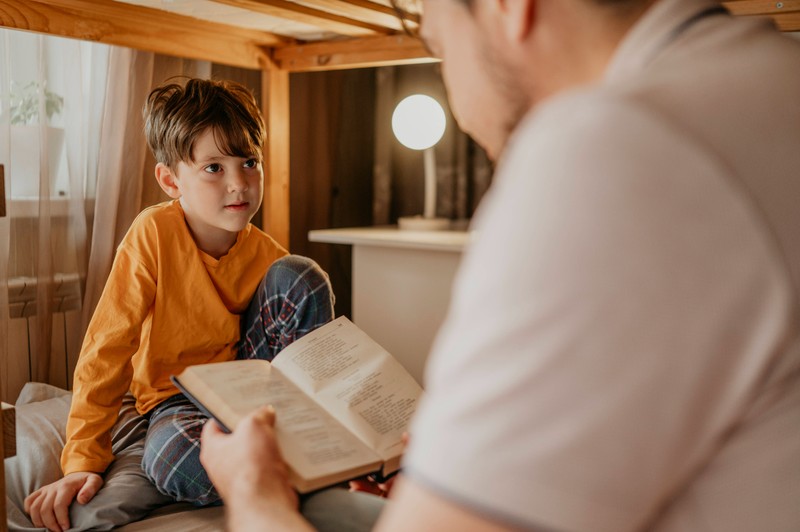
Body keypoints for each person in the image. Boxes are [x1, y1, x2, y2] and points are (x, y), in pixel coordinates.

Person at [201, 0, 800, 530]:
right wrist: (463, 474)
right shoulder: (768, 76)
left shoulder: (609, 146)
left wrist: (254, 496)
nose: (457, 103)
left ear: (510, 7)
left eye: (439, 45)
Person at [23, 78, 335, 532]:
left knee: (300, 275)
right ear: (171, 180)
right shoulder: (153, 234)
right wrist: (81, 461)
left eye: (249, 162)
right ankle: (276, 475)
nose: (238, 184)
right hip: (177, 401)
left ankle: (314, 449)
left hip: (256, 393)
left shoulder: (269, 256)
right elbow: (105, 350)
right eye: (213, 168)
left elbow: (306, 352)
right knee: (169, 457)